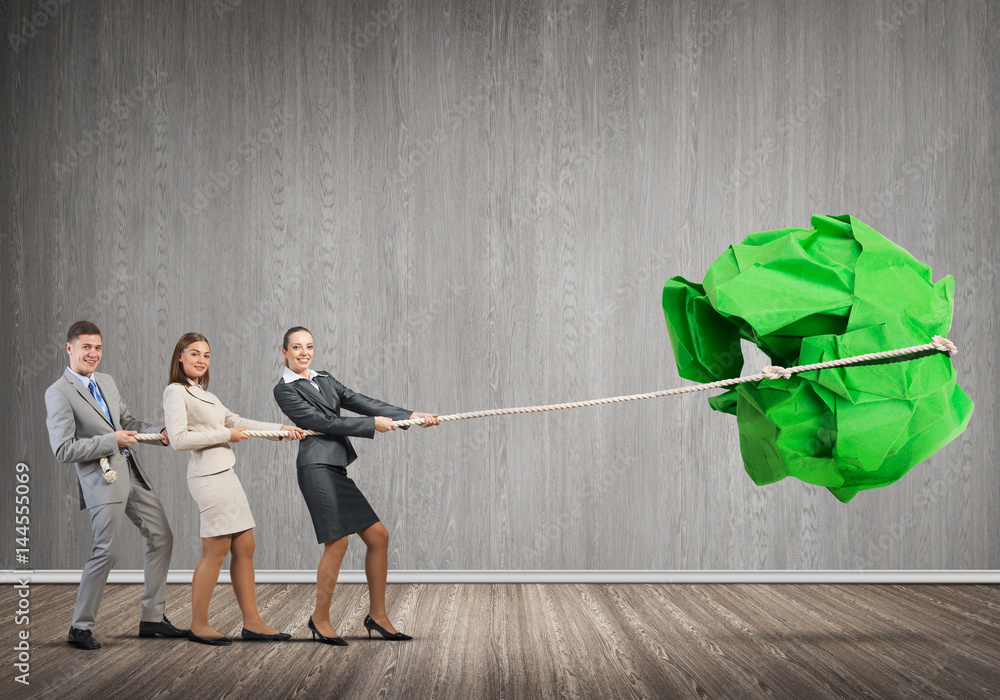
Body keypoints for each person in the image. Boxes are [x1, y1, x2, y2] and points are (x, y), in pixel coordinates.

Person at [273, 326, 439, 645]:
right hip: (315, 467)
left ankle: (377, 616)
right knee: (338, 543)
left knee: (378, 536)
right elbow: (323, 424)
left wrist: (411, 416)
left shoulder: (324, 379)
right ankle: (319, 619)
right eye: (296, 347)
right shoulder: (284, 390)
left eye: (308, 346)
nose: (304, 352)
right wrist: (370, 425)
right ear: (284, 352)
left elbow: (359, 401)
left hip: (335, 467)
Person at [45, 320, 188, 650]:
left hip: (132, 472)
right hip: (102, 479)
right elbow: (63, 449)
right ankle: (79, 628)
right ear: (70, 348)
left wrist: (160, 432)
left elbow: (128, 424)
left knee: (162, 536)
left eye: (97, 347)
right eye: (86, 347)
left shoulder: (106, 381)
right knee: (106, 551)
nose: (93, 353)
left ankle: (152, 618)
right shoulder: (58, 393)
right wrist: (111, 440)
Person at [162, 332, 305, 645]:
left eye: (207, 355)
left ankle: (252, 623)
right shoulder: (175, 392)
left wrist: (281, 430)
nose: (201, 360)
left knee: (245, 546)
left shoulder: (205, 394)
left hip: (226, 473)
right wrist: (225, 434)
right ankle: (198, 625)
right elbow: (179, 440)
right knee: (216, 550)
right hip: (208, 476)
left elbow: (236, 420)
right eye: (195, 354)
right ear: (181, 357)